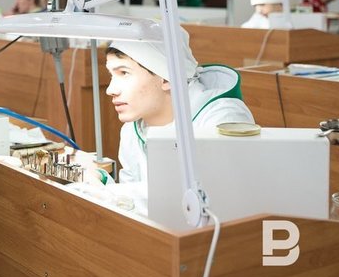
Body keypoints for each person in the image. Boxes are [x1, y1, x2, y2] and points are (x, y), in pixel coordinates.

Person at [80, 20, 254, 215]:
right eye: (112, 75)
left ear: (167, 76)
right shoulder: (132, 130)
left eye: (124, 73)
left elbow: (207, 203)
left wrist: (107, 194)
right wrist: (102, 181)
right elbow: (136, 204)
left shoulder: (222, 120)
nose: (111, 90)